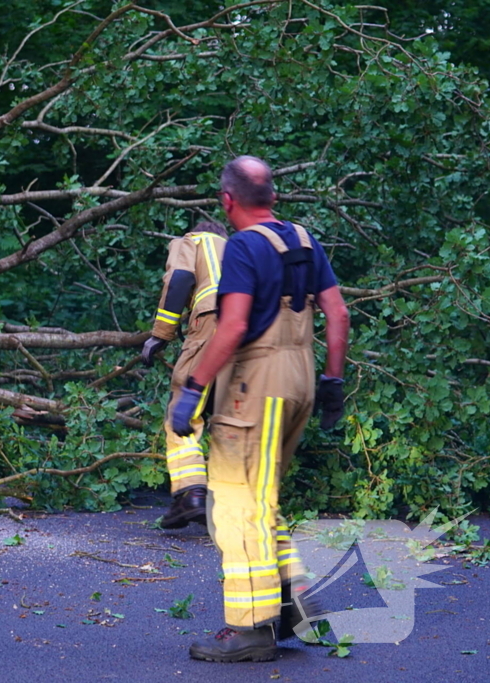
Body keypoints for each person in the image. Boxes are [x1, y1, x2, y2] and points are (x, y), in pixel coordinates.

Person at [172, 156, 349, 663]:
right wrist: (333, 381)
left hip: (257, 387)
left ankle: (249, 628)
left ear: (227, 201)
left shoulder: (244, 246)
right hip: (301, 381)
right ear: (272, 195)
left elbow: (232, 326)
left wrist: (195, 388)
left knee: (234, 504)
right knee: (261, 496)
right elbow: (338, 313)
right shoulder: (304, 240)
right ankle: (295, 600)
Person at [141, 220, 231, 530]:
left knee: (184, 410)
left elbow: (180, 278)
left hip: (212, 322)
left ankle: (192, 493)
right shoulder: (241, 249)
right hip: (252, 332)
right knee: (229, 418)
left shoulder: (194, 240)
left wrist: (161, 334)